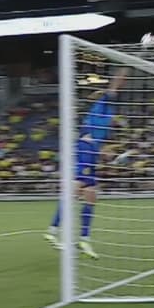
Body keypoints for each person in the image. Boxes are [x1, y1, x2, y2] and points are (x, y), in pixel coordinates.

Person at [44, 67, 128, 260]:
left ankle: (84, 239)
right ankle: (53, 231)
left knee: (91, 196)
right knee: (75, 191)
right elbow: (113, 87)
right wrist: (123, 73)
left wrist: (113, 158)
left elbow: (101, 149)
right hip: (84, 150)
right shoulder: (104, 105)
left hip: (89, 152)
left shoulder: (103, 119)